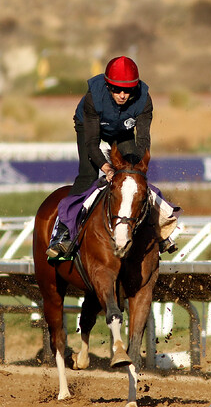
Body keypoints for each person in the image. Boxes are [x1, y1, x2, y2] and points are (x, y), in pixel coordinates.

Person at [46, 56, 178, 257]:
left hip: (123, 132)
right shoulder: (93, 98)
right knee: (87, 175)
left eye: (128, 90)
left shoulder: (144, 101)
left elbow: (143, 142)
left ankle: (159, 230)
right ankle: (63, 233)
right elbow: (92, 144)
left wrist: (135, 169)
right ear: (108, 86)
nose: (123, 95)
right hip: (89, 128)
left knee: (134, 177)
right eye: (117, 89)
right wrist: (106, 167)